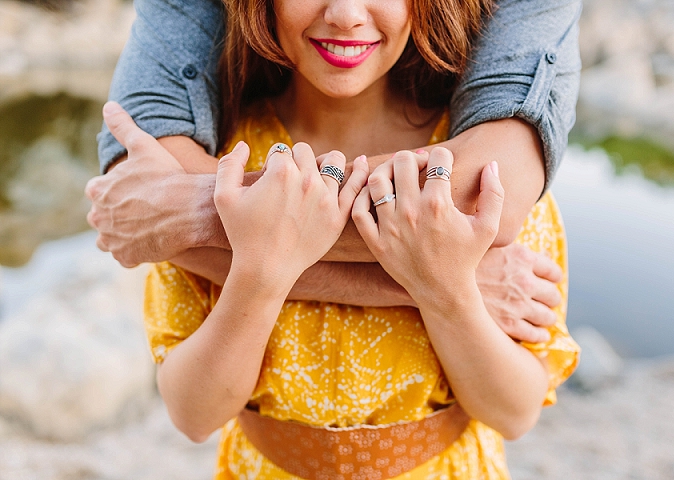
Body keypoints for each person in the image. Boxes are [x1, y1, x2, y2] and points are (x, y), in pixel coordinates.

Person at [95, 0, 580, 477]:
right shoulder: (225, 160)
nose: (346, 14)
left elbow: (514, 414)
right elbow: (193, 416)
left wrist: (449, 292)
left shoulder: (485, 171)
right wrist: (262, 273)